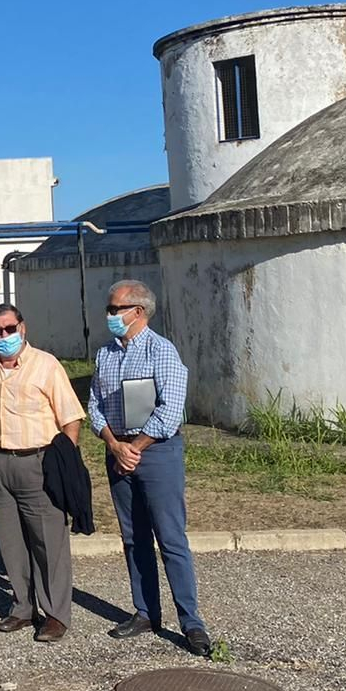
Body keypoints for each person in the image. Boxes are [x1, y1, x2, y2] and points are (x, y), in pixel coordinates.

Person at [87, 279, 212, 656]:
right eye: (109, 309)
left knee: (171, 540)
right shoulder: (105, 354)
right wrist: (114, 444)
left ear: (137, 312)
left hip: (156, 453)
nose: (109, 315)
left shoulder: (162, 352)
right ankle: (146, 612)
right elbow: (94, 403)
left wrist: (136, 447)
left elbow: (170, 410)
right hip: (119, 450)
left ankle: (191, 622)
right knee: (133, 537)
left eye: (115, 309)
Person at [0, 302, 85, 643]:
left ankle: (55, 614)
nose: (3, 336)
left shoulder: (46, 365)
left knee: (47, 542)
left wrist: (64, 461)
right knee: (10, 541)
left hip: (39, 461)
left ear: (23, 327)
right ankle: (22, 607)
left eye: (9, 328)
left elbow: (70, 419)